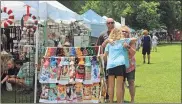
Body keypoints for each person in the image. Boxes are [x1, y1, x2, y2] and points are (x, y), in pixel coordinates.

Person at [103, 28, 136, 103]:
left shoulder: (109, 44)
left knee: (111, 86)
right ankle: (119, 102)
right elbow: (135, 39)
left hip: (110, 65)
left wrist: (108, 40)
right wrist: (127, 40)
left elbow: (105, 57)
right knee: (119, 86)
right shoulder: (124, 41)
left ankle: (111, 102)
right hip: (120, 64)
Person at [95, 18, 115, 102]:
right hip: (107, 61)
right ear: (106, 24)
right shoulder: (102, 34)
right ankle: (107, 96)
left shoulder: (118, 33)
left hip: (117, 60)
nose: (110, 24)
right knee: (107, 79)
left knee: (120, 80)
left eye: (111, 22)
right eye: (108, 23)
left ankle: (119, 97)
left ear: (114, 23)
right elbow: (98, 47)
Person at [120, 26, 136, 103]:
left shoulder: (131, 41)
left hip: (130, 66)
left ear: (128, 33)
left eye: (126, 31)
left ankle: (132, 100)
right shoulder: (117, 41)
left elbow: (133, 53)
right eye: (122, 31)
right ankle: (122, 100)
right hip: (120, 66)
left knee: (131, 82)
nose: (124, 33)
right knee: (121, 83)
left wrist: (128, 46)